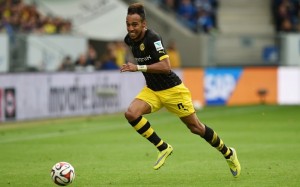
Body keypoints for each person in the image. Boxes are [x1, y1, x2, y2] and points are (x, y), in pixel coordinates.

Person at [120, 2, 241, 177]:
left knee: (196, 128)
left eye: (134, 24)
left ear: (144, 24)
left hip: (173, 90)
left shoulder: (153, 38)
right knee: (131, 113)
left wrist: (138, 68)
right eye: (128, 24)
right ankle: (163, 147)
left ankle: (228, 153)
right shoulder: (129, 40)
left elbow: (166, 66)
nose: (130, 28)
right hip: (153, 90)